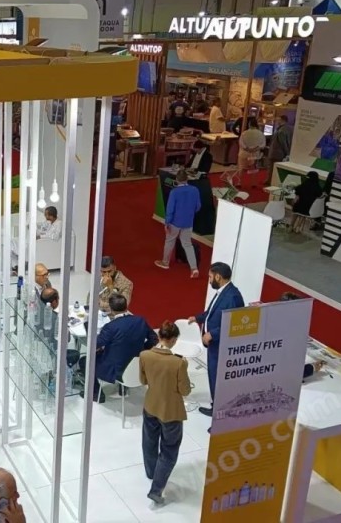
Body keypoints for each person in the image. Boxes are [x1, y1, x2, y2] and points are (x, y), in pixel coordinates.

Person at [139, 321, 192, 505]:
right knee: (169, 450)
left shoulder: (145, 355)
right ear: (174, 340)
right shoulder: (179, 362)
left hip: (150, 405)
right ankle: (156, 489)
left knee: (149, 441)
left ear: (159, 336)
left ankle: (151, 473)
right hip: (171, 411)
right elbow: (185, 390)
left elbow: (143, 380)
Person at [188, 262, 244, 419]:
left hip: (222, 345)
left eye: (210, 277)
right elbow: (211, 312)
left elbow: (233, 323)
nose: (209, 280)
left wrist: (213, 334)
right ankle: (217, 406)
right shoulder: (223, 292)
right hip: (215, 345)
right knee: (213, 375)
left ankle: (219, 410)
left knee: (218, 377)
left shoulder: (232, 297)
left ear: (218, 277)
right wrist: (197, 318)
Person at [89, 295, 158, 403]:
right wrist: (143, 349)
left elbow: (95, 344)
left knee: (86, 361)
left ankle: (96, 394)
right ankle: (123, 388)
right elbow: (154, 338)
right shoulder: (141, 321)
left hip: (116, 369)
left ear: (111, 309)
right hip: (135, 364)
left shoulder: (110, 327)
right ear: (126, 306)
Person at [155, 169, 201, 278]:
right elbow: (198, 206)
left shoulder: (174, 192)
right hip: (188, 222)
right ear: (187, 178)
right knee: (187, 244)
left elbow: (170, 209)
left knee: (170, 241)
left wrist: (167, 222)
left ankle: (165, 262)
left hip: (175, 222)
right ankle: (194, 268)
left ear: (176, 179)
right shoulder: (195, 190)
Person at [238, 121, 266, 188]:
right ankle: (253, 183)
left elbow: (241, 143)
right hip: (255, 154)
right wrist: (255, 149)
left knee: (241, 168)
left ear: (249, 125)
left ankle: (239, 182)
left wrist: (247, 148)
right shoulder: (261, 134)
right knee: (254, 169)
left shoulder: (244, 133)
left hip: (244, 153)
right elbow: (263, 144)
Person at [268, 115, 293, 180]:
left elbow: (283, 143)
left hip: (277, 153)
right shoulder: (289, 129)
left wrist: (287, 153)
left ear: (282, 120)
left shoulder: (281, 130)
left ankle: (270, 180)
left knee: (272, 168)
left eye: (278, 120)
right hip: (281, 153)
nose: (277, 121)